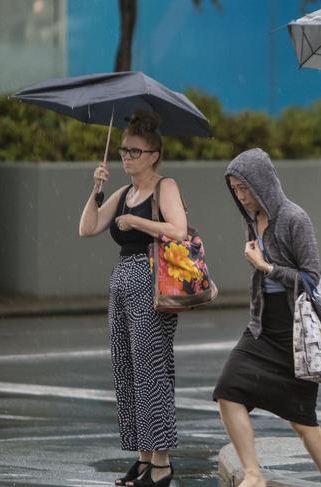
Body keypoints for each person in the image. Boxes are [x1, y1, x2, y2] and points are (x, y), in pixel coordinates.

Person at [213, 148, 321, 487]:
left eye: (245, 188)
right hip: (261, 327)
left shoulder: (294, 218)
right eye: (235, 189)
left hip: (295, 331)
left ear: (263, 183)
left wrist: (267, 268)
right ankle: (254, 474)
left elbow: (312, 277)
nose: (241, 196)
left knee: (303, 421)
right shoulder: (251, 220)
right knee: (228, 390)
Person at [79, 111, 186, 487]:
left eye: (134, 151)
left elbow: (178, 229)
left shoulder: (164, 186)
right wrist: (96, 190)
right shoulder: (124, 193)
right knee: (126, 370)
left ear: (154, 154)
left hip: (150, 278)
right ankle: (142, 458)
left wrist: (138, 223)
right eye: (124, 150)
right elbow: (88, 228)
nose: (126, 157)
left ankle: (162, 462)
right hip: (122, 279)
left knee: (151, 370)